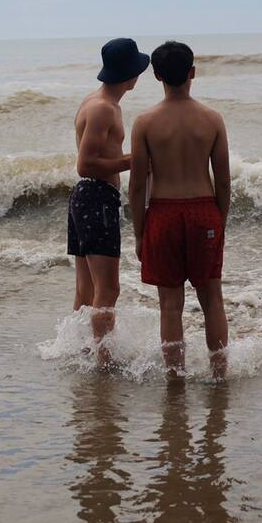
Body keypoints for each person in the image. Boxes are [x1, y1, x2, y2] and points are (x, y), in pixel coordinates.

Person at [129, 41, 231, 380]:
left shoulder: (145, 122)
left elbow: (137, 186)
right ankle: (219, 374)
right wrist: (220, 223)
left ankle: (175, 377)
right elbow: (223, 181)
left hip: (163, 215)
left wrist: (139, 233)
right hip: (204, 212)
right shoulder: (212, 120)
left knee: (170, 305)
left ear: (157, 76)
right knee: (212, 300)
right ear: (192, 73)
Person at [69, 38, 150, 367]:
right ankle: (103, 359)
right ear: (130, 75)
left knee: (86, 288)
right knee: (108, 289)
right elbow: (85, 163)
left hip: (86, 197)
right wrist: (136, 159)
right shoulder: (103, 108)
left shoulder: (96, 101)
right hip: (96, 197)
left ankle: (80, 351)